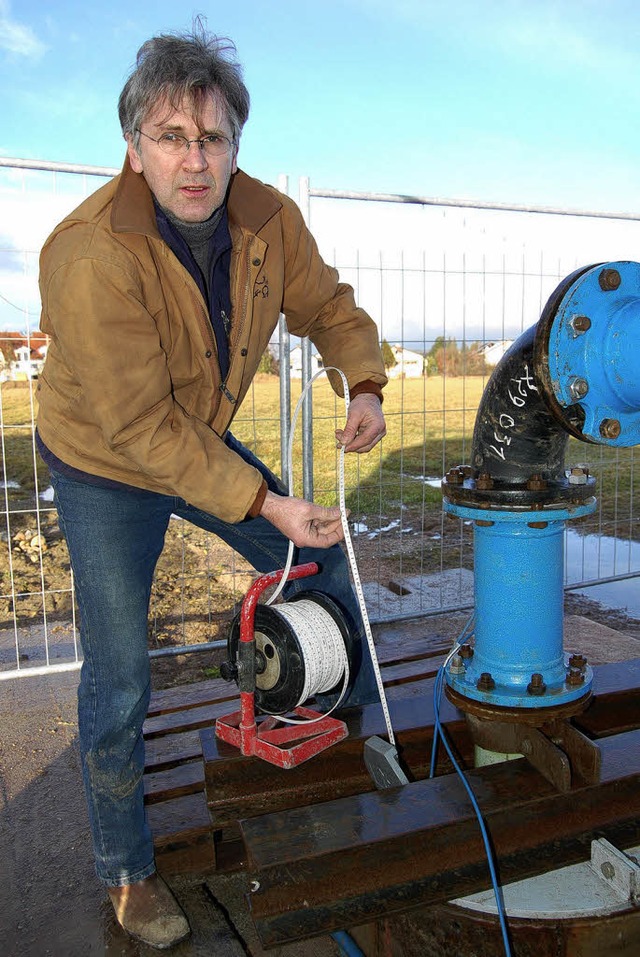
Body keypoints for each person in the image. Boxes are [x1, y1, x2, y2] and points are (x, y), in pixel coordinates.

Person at [37, 23, 387, 950]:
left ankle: (340, 739)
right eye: (171, 136)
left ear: (235, 142)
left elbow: (328, 305)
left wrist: (364, 380)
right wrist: (265, 498)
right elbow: (141, 428)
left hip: (196, 437)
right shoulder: (87, 253)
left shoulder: (268, 219)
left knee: (324, 565)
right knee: (120, 671)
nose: (195, 161)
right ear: (133, 146)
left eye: (214, 138)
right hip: (106, 458)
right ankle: (127, 870)